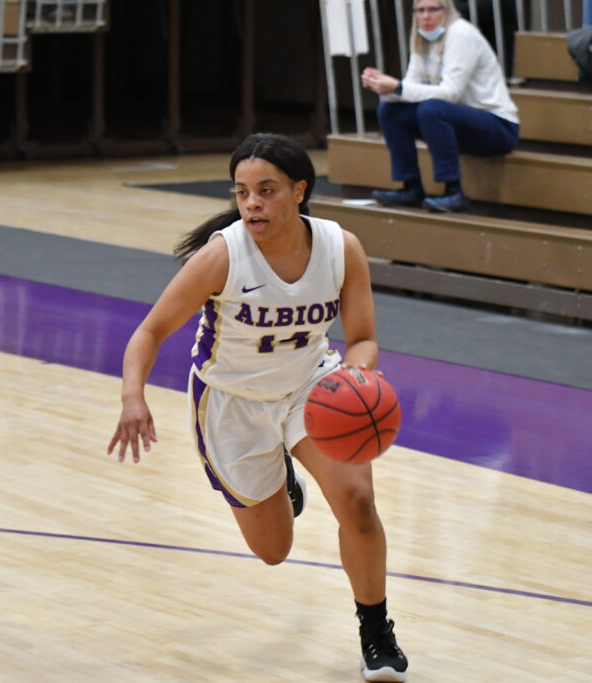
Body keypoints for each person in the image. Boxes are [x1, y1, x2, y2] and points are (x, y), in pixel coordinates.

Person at [108, 133, 409, 683]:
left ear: (299, 190)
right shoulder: (223, 254)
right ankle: (282, 474)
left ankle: (377, 631)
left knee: (358, 503)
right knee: (274, 549)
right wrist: (134, 396)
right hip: (232, 404)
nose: (251, 203)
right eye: (242, 192)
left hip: (312, 390)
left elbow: (362, 337)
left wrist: (360, 374)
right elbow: (150, 330)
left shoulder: (342, 248)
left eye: (265, 190)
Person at [360, 0, 519, 213]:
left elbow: (450, 93)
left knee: (432, 109)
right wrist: (384, 87)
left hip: (498, 126)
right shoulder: (421, 37)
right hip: (456, 121)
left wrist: (398, 87)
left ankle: (453, 191)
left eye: (434, 9)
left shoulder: (461, 34)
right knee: (389, 111)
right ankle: (411, 187)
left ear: (447, 11)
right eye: (421, 10)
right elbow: (411, 87)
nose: (426, 16)